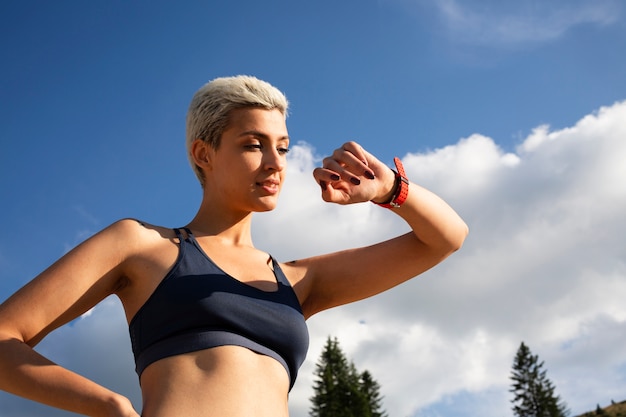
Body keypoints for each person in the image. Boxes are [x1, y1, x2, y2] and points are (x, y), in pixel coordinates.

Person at [0, 75, 468, 417]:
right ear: (204, 154)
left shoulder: (299, 281)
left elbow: (445, 239)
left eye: (282, 148)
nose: (274, 164)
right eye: (252, 145)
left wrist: (391, 191)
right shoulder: (141, 246)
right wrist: (108, 405)